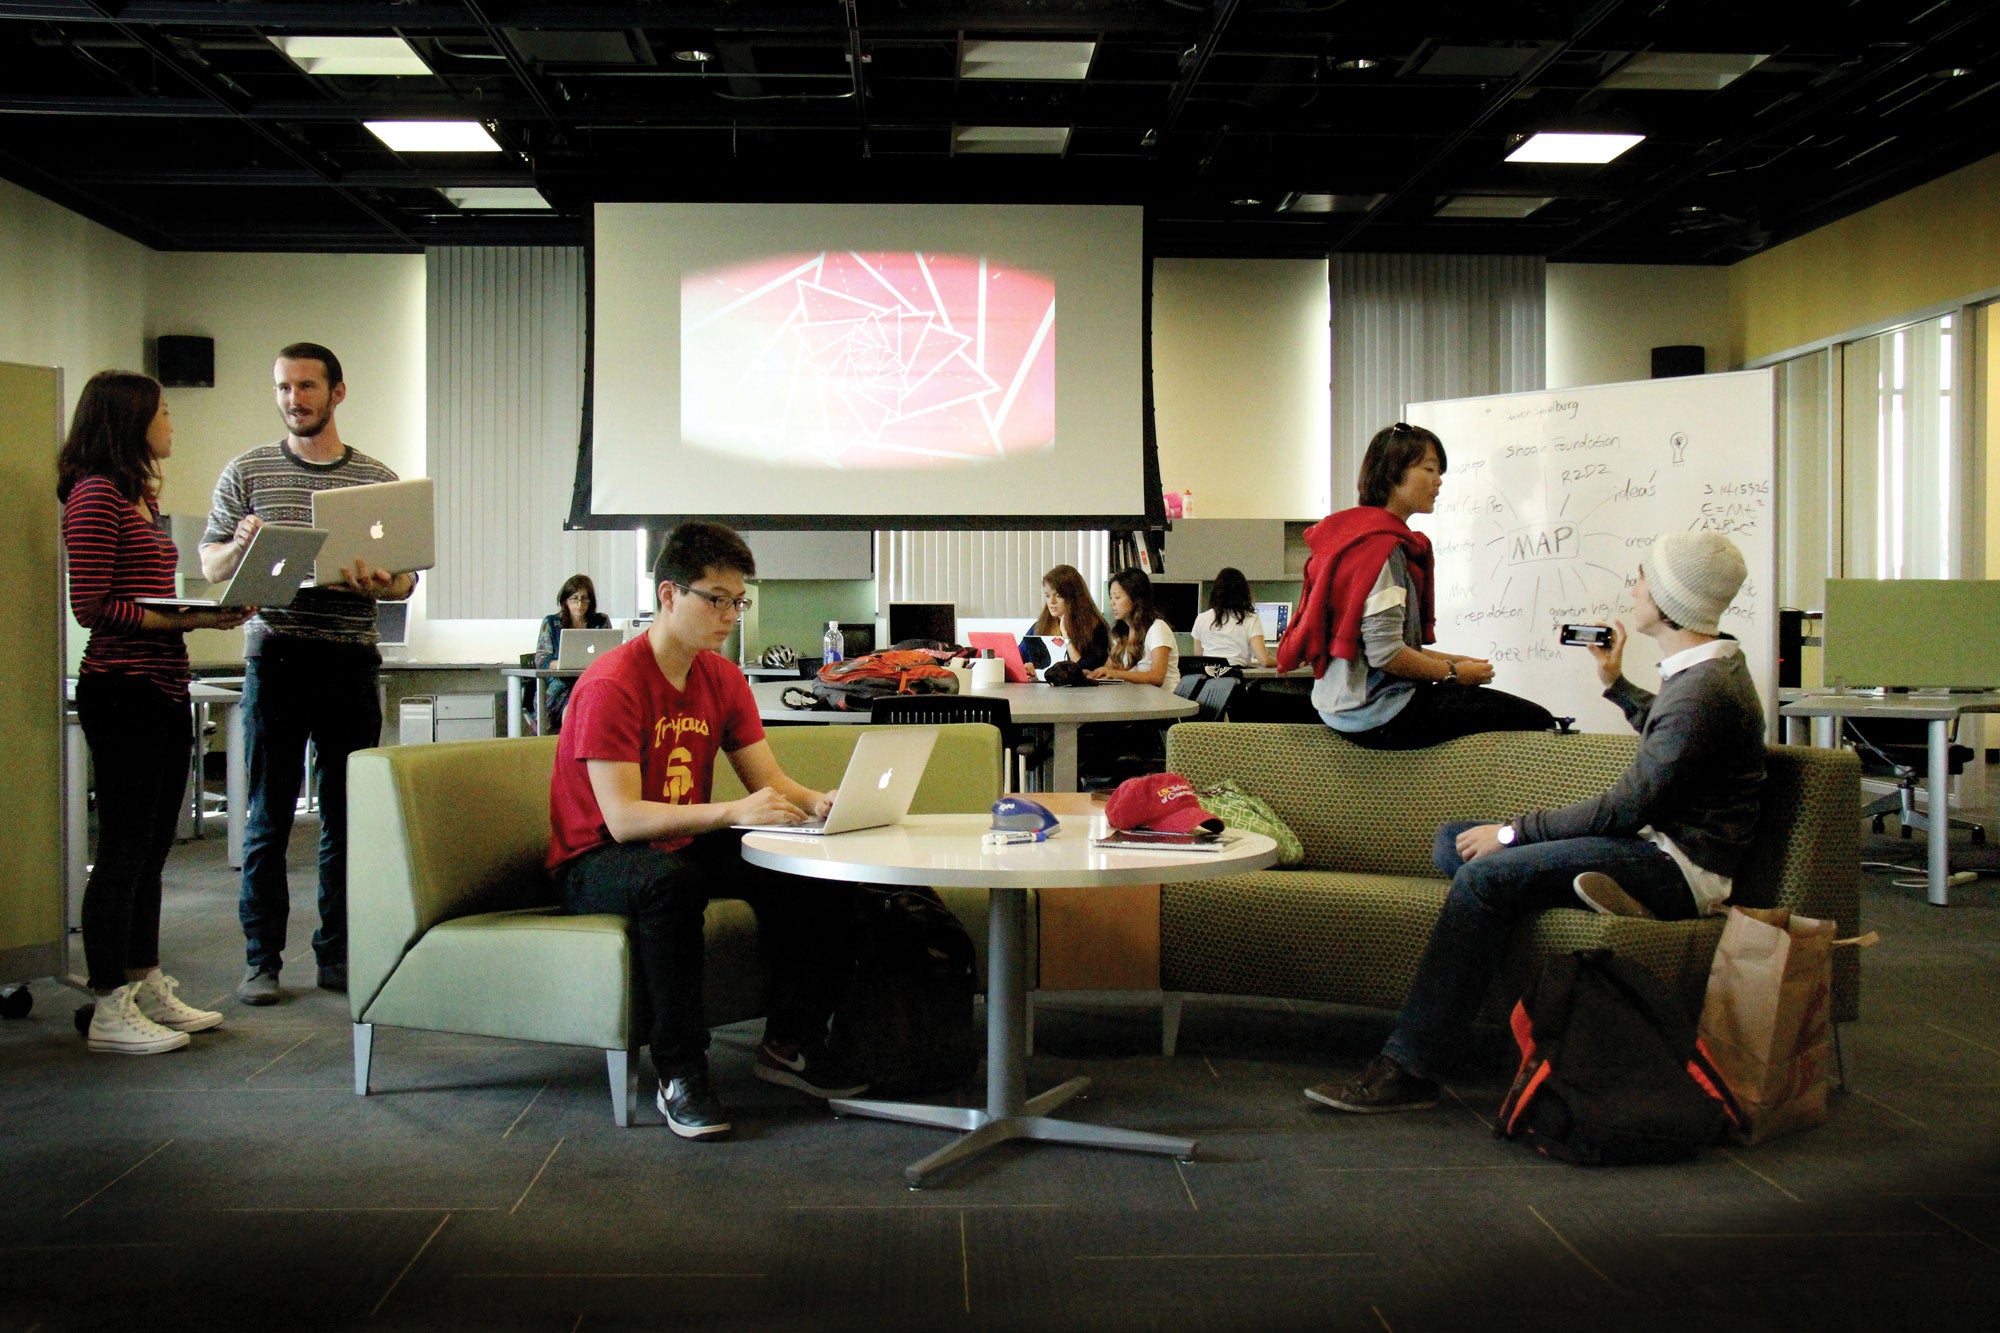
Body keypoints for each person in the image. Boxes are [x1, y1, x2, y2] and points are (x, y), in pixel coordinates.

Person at [1305, 531, 1766, 1114]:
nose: (1635, 584)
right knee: (1455, 842)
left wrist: (1513, 834)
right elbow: (1674, 740)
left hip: (1676, 870)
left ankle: (1409, 1068)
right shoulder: (1706, 675)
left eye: (1647, 575)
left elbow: (1627, 806)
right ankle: (1581, 891)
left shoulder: (1704, 690)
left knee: (1482, 875)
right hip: (1649, 846)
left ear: (1674, 600)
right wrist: (1616, 686)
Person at [549, 520, 872, 1141]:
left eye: (738, 601)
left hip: (678, 842)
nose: (731, 615)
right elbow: (622, 820)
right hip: (594, 860)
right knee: (669, 884)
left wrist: (820, 807)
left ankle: (791, 1044)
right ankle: (680, 1073)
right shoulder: (612, 684)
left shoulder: (721, 679)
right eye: (716, 599)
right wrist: (731, 812)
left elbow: (769, 780)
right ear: (669, 595)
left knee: (815, 874)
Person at [199, 342, 415, 1006]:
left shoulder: (375, 477)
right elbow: (209, 568)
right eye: (284, 387)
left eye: (306, 387)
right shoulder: (248, 471)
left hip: (349, 659)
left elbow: (405, 579)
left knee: (347, 821)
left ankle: (337, 953)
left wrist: (383, 580)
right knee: (267, 815)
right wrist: (239, 544)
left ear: (337, 393)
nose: (294, 399)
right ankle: (261, 958)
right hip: (280, 656)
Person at [59, 371, 246, 1053]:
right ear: (129, 418)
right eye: (164, 411)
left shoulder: (137, 494)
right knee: (123, 849)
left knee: (151, 847)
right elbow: (93, 608)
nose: (173, 422)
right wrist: (184, 621)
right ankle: (109, 1005)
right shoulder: (93, 495)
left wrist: (205, 615)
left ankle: (143, 981)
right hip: (122, 687)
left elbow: (149, 600)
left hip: (165, 685)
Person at [1281, 422, 1553, 749]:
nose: (1438, 481)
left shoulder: (1354, 538)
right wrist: (1453, 672)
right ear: (1393, 474)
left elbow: (1382, 646)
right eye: (1429, 469)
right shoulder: (1383, 550)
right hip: (1377, 712)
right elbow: (1386, 654)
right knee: (1538, 720)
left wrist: (1455, 661)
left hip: (1342, 704)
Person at [532, 573, 611, 734]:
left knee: (607, 704)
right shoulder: (552, 623)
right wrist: (564, 664)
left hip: (592, 682)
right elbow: (541, 659)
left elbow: (609, 654)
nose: (579, 603)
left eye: (584, 598)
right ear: (565, 600)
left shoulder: (601, 621)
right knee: (573, 708)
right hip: (560, 685)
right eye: (574, 598)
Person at [1088, 567, 1181, 695]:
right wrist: (1093, 674)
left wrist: (1115, 674)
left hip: (1163, 705)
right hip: (1136, 701)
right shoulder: (1124, 633)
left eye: (1117, 597)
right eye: (1111, 597)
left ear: (1136, 598)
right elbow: (1108, 669)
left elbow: (1157, 677)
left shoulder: (1157, 628)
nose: (1112, 603)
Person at [1025, 564, 1110, 671]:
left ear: (1073, 597)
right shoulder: (1041, 625)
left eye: (1058, 595)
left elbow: (1085, 670)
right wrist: (1029, 667)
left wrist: (1066, 636)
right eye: (1047, 595)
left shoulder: (1095, 627)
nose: (1051, 602)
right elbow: (1019, 657)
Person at [1191, 566, 1275, 668]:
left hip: (1210, 681)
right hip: (1235, 680)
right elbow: (1264, 661)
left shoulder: (1201, 618)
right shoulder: (1251, 619)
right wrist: (1287, 664)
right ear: (1244, 592)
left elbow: (1199, 659)